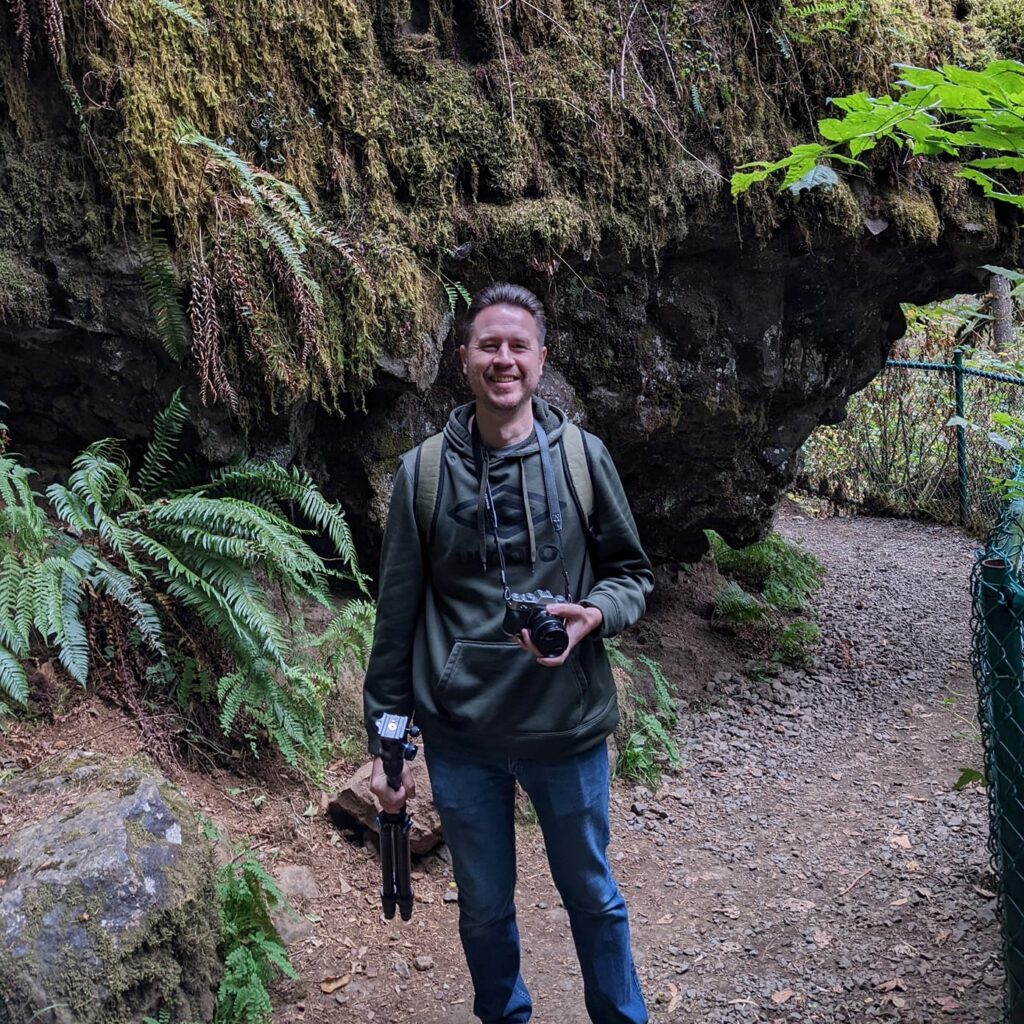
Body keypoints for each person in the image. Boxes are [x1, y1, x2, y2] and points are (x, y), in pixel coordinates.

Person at [362, 282, 654, 1024]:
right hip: (465, 736)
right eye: (488, 345)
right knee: (485, 911)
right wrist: (387, 751)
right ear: (463, 359)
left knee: (592, 896)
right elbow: (395, 620)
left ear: (540, 359)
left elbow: (631, 575)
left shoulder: (583, 460)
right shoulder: (423, 473)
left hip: (567, 727)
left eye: (517, 346)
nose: (503, 359)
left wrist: (593, 615)